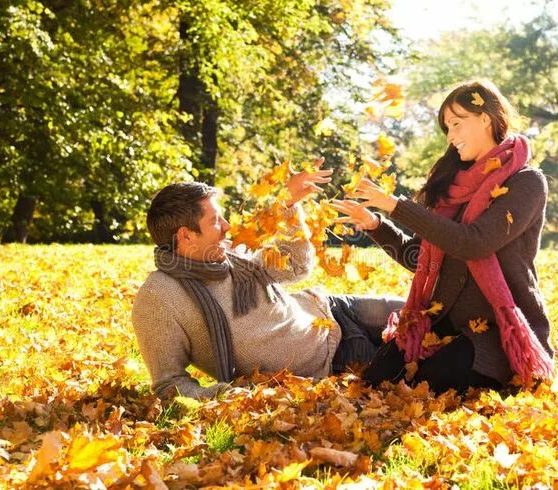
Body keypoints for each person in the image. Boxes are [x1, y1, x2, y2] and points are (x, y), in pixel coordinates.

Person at [331, 79, 555, 394]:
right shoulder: (454, 187)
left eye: (456, 124)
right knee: (377, 378)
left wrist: (397, 206)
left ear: (485, 118)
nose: (450, 136)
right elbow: (418, 258)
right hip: (443, 323)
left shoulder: (526, 183)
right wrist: (376, 226)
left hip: (495, 332)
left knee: (427, 382)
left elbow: (472, 243)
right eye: (446, 128)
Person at [131, 160, 403, 401]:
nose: (227, 226)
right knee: (429, 363)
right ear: (186, 236)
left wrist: (288, 204)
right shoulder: (160, 297)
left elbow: (295, 266)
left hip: (334, 310)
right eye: (215, 220)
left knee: (427, 311)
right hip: (335, 359)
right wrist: (222, 395)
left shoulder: (230, 256)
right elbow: (169, 383)